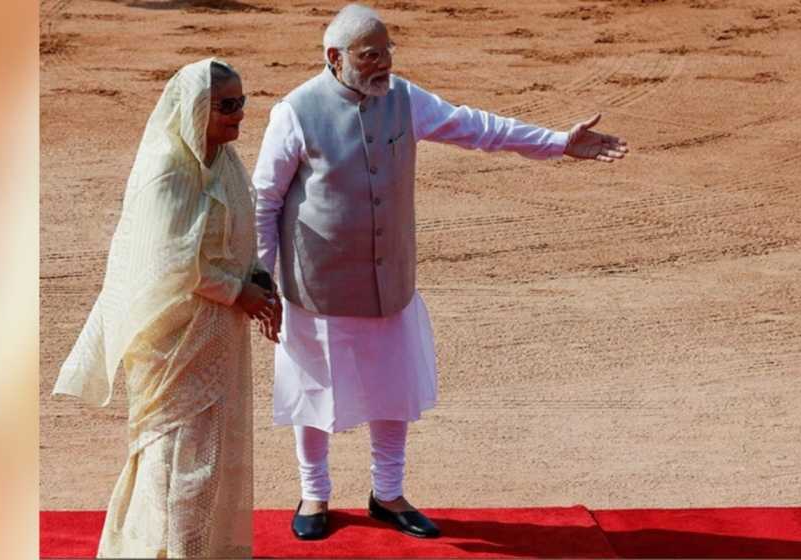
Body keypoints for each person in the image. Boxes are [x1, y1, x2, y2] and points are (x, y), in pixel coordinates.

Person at [251, 4, 628, 541]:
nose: (384, 63)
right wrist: (263, 281)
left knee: (392, 389)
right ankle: (315, 491)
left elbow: (476, 128)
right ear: (336, 58)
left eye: (388, 51)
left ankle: (388, 493)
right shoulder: (295, 112)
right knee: (314, 392)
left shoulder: (405, 99)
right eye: (370, 54)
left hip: (389, 282)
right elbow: (264, 200)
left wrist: (556, 144)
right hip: (316, 284)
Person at [52, 58, 280, 558]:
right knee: (178, 460)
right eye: (227, 105)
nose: (239, 114)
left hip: (217, 335)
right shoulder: (167, 167)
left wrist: (259, 280)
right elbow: (169, 260)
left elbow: (241, 231)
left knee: (211, 456)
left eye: (242, 102)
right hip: (172, 339)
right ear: (198, 108)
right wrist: (237, 291)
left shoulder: (224, 160)